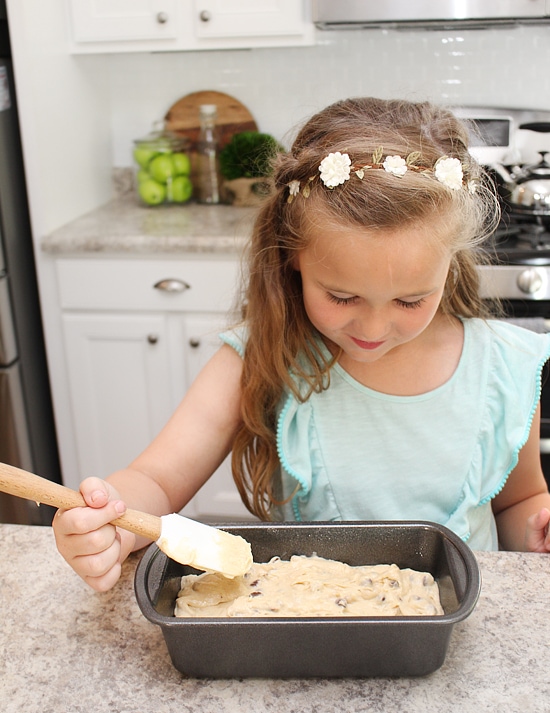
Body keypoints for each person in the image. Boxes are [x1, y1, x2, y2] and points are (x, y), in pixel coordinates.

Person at [53, 97, 550, 591]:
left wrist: (536, 528)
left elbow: (517, 501)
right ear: (293, 256)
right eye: (341, 295)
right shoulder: (258, 358)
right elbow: (158, 481)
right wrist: (111, 519)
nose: (374, 329)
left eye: (410, 300)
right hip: (308, 630)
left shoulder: (504, 367)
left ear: (451, 262)